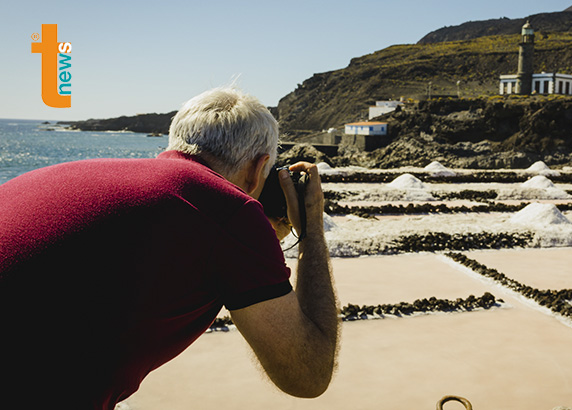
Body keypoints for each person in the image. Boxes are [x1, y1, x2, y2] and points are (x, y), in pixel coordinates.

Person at [0, 87, 339, 409]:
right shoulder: (228, 210)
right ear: (257, 168)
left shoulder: (74, 175)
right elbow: (308, 375)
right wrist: (311, 228)